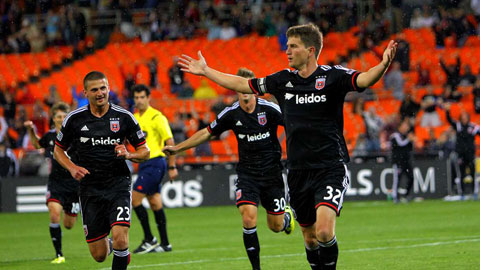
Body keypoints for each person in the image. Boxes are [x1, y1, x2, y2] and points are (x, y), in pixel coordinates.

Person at [177, 23, 397, 269]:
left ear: (310, 50)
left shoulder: (333, 76)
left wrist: (383, 64)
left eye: (293, 46)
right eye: (287, 46)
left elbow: (365, 79)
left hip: (329, 168)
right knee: (310, 238)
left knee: (324, 232)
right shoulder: (283, 80)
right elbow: (243, 85)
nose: (287, 51)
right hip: (297, 172)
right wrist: (207, 71)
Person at [164, 68, 295, 270]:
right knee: (248, 216)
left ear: (254, 89)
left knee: (275, 226)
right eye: (239, 86)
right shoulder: (231, 113)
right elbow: (206, 133)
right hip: (247, 174)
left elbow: (293, 124)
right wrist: (177, 149)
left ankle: (285, 217)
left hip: (272, 174)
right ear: (236, 89)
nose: (244, 90)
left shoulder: (269, 109)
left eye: (247, 86)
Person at [53, 71, 150, 270]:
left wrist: (129, 155)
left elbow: (145, 151)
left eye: (103, 88)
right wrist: (72, 168)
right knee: (99, 256)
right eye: (95, 89)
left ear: (108, 89)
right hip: (90, 188)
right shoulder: (74, 120)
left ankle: (120, 248)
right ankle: (115, 247)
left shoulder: (124, 117)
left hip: (118, 184)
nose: (100, 93)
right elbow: (58, 150)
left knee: (121, 239)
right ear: (85, 93)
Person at [24, 102, 79, 264]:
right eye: (58, 117)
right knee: (54, 214)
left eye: (64, 116)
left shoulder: (76, 136)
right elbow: (36, 144)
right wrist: (31, 130)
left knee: (69, 224)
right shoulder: (49, 136)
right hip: (56, 183)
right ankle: (59, 254)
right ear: (53, 119)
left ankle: (71, 212)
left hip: (74, 185)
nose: (61, 119)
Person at [131, 84, 178, 254]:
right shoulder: (134, 117)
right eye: (136, 97)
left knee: (135, 200)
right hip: (144, 164)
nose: (139, 100)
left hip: (156, 162)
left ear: (148, 98)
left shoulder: (157, 117)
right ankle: (165, 243)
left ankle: (149, 239)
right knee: (155, 202)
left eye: (142, 97)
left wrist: (172, 166)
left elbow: (170, 142)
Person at [444, 103, 480, 199]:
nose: (464, 119)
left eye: (465, 117)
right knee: (461, 174)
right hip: (460, 154)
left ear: (468, 118)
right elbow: (449, 120)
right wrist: (447, 111)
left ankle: (474, 192)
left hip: (470, 154)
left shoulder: (473, 127)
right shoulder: (458, 126)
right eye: (462, 117)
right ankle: (462, 193)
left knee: (473, 173)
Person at [390, 120, 416, 203]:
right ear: (400, 127)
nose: (406, 128)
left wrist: (411, 141)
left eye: (407, 126)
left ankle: (406, 195)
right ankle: (395, 197)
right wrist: (409, 139)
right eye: (404, 126)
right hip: (398, 162)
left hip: (406, 161)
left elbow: (410, 148)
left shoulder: (407, 136)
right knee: (397, 180)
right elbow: (400, 144)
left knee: (411, 177)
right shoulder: (395, 136)